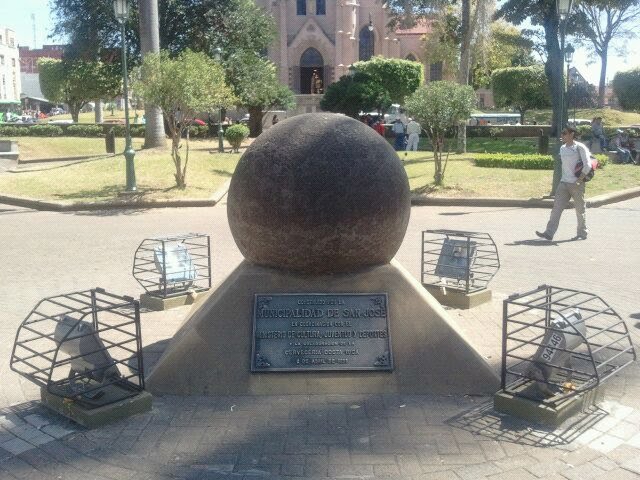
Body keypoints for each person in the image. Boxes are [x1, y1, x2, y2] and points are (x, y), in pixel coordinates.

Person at [536, 127, 591, 241]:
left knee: (579, 209)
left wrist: (579, 180)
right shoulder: (562, 148)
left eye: (564, 133)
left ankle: (582, 232)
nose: (562, 135)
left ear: (572, 134)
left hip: (576, 184)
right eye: (561, 133)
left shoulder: (579, 147)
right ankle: (549, 233)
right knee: (556, 208)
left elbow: (588, 165)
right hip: (564, 183)